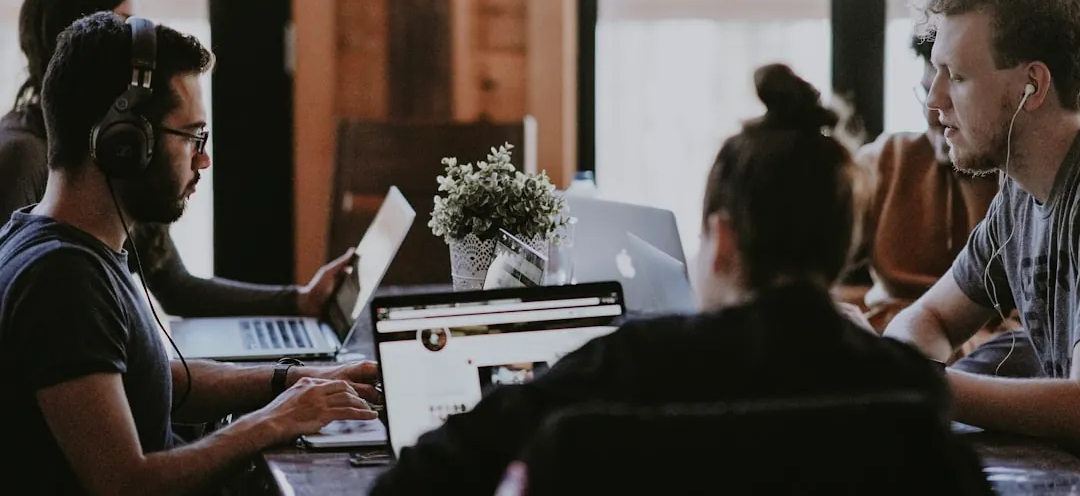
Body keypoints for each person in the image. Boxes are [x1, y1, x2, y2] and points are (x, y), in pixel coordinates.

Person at [370, 64, 949, 494]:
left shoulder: (628, 366)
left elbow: (415, 481)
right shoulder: (906, 390)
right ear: (843, 243)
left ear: (720, 243)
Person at [0, 12, 381, 494]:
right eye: (193, 136)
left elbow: (160, 380)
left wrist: (294, 381)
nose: (204, 159)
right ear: (124, 143)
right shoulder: (60, 281)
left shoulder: (57, 242)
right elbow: (125, 484)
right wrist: (270, 423)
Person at [0, 0, 350, 320]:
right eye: (122, 26)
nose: (141, 52)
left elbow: (177, 288)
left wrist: (298, 300)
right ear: (77, 38)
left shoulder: (132, 150)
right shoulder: (24, 155)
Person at [884, 0, 1080, 441]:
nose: (934, 101)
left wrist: (923, 386)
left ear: (1031, 86)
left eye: (959, 77)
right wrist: (906, 370)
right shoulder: (1018, 194)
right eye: (936, 74)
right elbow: (928, 316)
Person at [838, 34, 1040, 378]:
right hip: (902, 342)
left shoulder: (1027, 189)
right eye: (926, 92)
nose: (933, 114)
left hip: (987, 358)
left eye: (956, 89)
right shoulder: (887, 160)